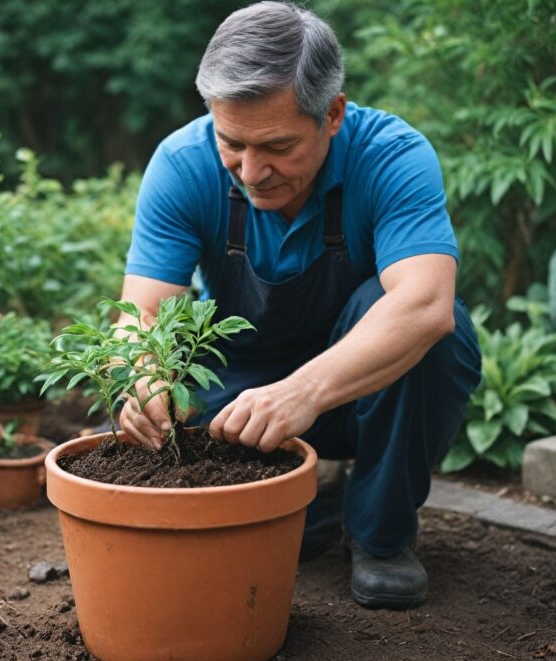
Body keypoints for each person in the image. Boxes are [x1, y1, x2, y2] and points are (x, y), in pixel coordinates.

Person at [116, 1, 481, 610]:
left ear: (332, 114)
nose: (252, 172)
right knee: (283, 531)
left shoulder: (390, 156)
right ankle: (315, 498)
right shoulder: (182, 164)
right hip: (240, 390)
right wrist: (144, 379)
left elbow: (424, 304)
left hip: (363, 390)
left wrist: (303, 393)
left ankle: (382, 535)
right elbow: (143, 318)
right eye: (232, 143)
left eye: (278, 147)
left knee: (440, 335)